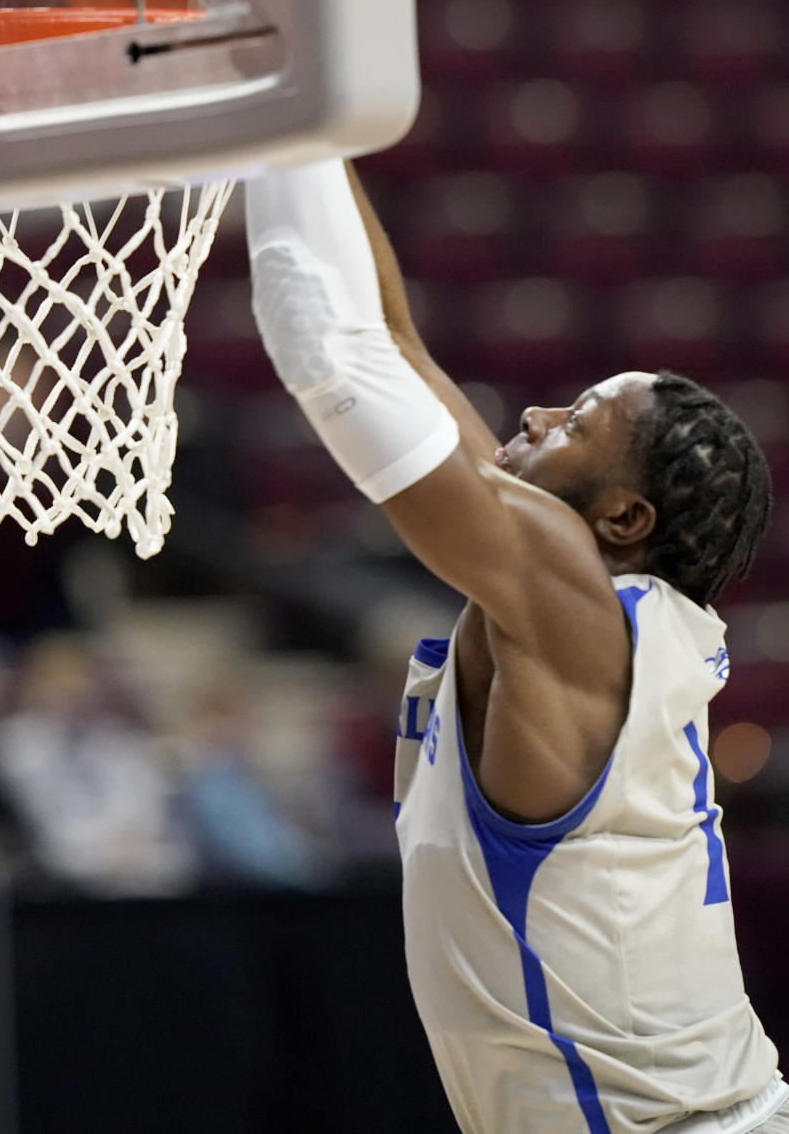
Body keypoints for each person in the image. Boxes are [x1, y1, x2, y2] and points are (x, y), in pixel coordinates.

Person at [244, 156, 788, 1134]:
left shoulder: (579, 614)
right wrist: (309, 125)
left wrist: (267, 118)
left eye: (575, 421)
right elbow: (392, 340)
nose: (535, 416)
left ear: (623, 517)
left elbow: (327, 352)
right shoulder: (575, 610)